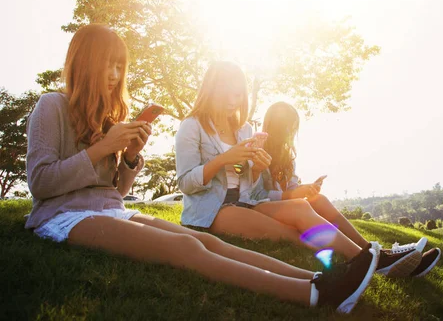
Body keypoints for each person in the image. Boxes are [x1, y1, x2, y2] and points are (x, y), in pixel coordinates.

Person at [24, 24, 378, 314]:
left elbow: (113, 193)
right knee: (187, 251)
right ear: (84, 63)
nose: (116, 75)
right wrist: (104, 147)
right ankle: (316, 296)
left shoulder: (107, 119)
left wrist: (130, 156)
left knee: (203, 240)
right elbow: (40, 183)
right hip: (64, 216)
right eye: (108, 65)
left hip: (111, 210)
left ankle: (319, 279)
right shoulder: (51, 106)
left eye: (121, 67)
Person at [175, 62, 434, 278]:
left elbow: (247, 184)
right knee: (290, 234)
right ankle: (369, 263)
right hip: (214, 211)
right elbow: (186, 183)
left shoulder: (244, 130)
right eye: (228, 94)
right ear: (212, 90)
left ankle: (373, 257)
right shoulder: (192, 126)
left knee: (301, 208)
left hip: (245, 203)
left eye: (238, 95)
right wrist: (223, 159)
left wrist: (255, 168)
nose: (234, 101)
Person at [258, 101, 442, 278]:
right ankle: (375, 259)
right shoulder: (259, 148)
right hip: (261, 207)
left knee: (319, 199)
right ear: (274, 125)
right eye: (286, 126)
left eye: (293, 126)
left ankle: (373, 250)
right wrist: (292, 194)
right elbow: (255, 193)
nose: (290, 131)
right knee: (304, 204)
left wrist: (307, 189)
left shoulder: (287, 156)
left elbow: (291, 188)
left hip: (282, 205)